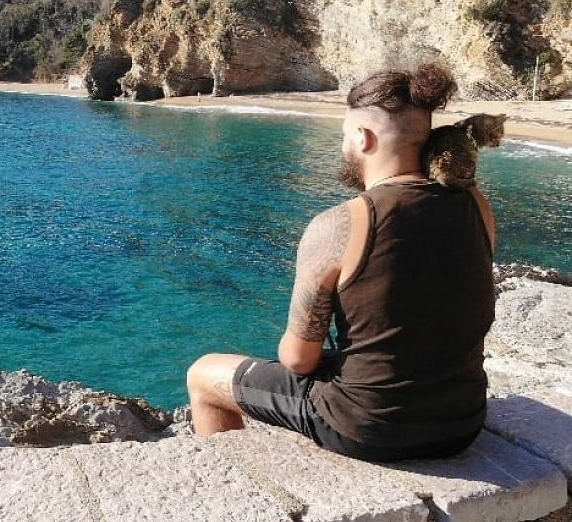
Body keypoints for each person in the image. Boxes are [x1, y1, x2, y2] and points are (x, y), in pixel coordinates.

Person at [186, 64, 496, 462]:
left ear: (364, 138)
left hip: (371, 429)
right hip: (463, 423)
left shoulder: (341, 223)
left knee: (203, 373)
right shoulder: (477, 205)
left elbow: (299, 360)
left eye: (345, 136)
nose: (344, 145)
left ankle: (240, 485)